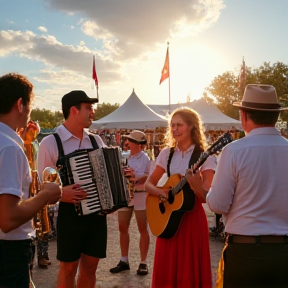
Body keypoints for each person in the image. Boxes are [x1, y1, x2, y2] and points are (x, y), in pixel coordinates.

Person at [206, 84, 288, 288]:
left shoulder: (234, 151)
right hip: (284, 253)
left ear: (243, 116)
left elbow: (218, 205)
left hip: (244, 252)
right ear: (276, 117)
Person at [37, 90, 107, 288]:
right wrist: (61, 193)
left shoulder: (96, 140)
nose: (92, 112)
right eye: (89, 108)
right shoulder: (49, 143)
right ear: (74, 110)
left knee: (91, 266)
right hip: (69, 214)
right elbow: (42, 187)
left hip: (96, 213)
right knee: (68, 268)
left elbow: (106, 177)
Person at [0, 73, 62, 288]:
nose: (30, 114)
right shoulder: (8, 147)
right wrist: (46, 194)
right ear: (20, 104)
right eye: (30, 106)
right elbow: (7, 219)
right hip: (8, 252)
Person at [145, 107, 217, 288]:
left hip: (192, 219)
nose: (174, 129)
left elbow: (206, 196)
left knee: (189, 270)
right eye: (172, 125)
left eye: (179, 125)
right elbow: (148, 184)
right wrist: (162, 193)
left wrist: (195, 183)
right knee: (167, 269)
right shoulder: (166, 154)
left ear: (192, 126)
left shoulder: (205, 156)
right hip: (168, 220)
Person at [110, 130, 150, 276]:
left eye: (131, 141)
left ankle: (143, 262)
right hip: (127, 195)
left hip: (140, 195)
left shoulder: (145, 157)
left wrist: (135, 176)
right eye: (128, 140)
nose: (128, 143)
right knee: (122, 226)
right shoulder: (125, 156)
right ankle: (124, 259)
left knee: (142, 228)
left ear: (139, 144)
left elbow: (149, 176)